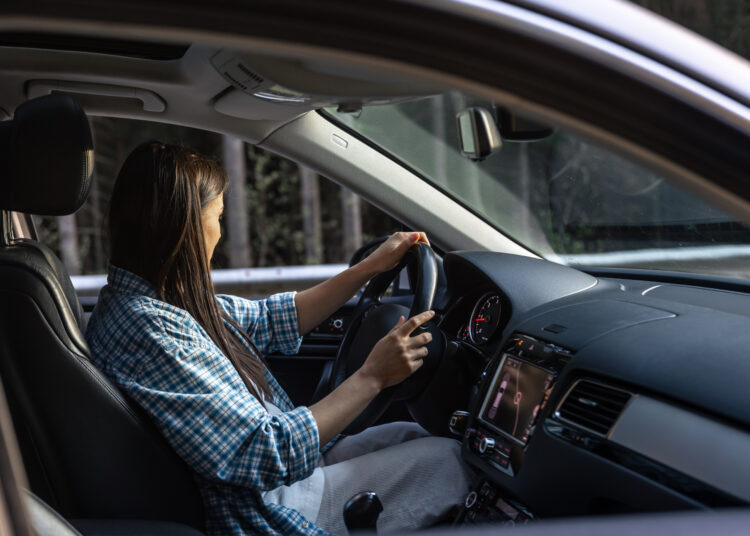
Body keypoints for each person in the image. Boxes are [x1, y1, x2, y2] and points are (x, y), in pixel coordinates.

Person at [86, 141, 472, 536]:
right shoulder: (154, 332)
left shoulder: (156, 301)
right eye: (217, 215)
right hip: (270, 506)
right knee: (454, 460)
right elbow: (263, 451)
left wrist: (368, 270)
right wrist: (373, 376)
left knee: (411, 435)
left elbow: (270, 320)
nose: (220, 230)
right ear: (184, 227)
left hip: (284, 478)